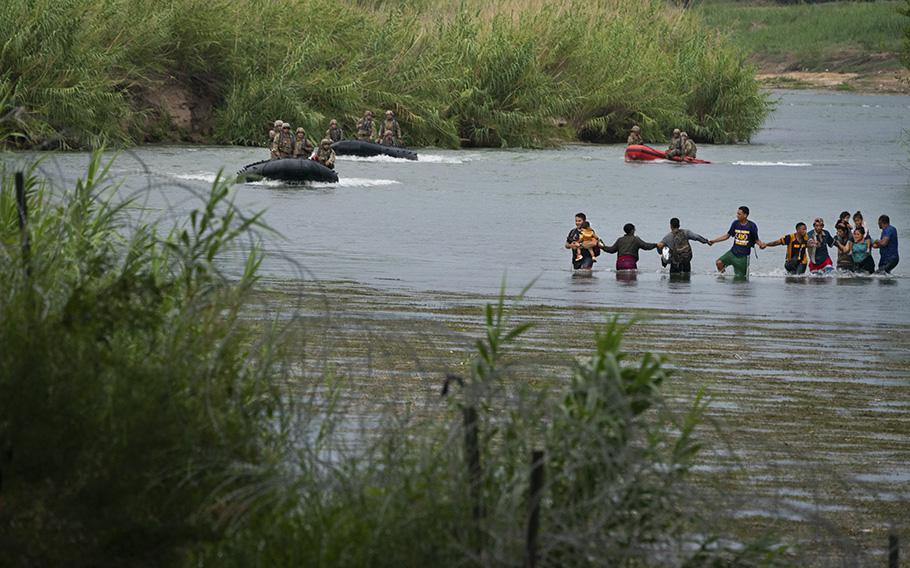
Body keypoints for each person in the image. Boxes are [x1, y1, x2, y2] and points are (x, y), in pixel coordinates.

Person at [711, 206, 763, 278]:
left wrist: (761, 245)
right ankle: (723, 278)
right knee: (719, 263)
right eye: (737, 214)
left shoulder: (752, 226)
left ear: (745, 215)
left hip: (743, 257)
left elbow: (756, 240)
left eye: (739, 214)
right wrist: (714, 241)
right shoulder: (735, 223)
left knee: (740, 279)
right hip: (732, 253)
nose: (737, 215)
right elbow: (727, 236)